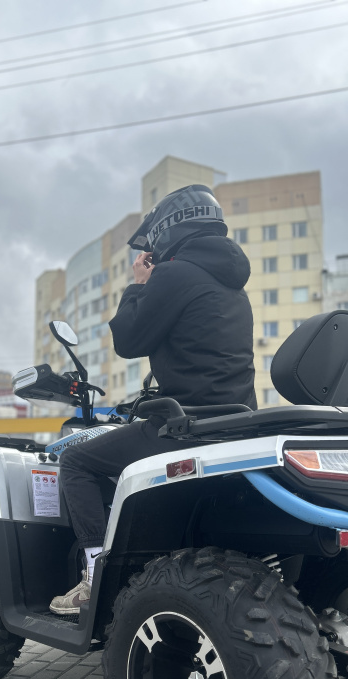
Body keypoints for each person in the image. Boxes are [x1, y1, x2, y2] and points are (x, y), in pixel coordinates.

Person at [49, 184, 257, 615]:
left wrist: (138, 284)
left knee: (77, 462)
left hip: (183, 425)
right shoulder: (234, 286)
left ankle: (94, 575)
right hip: (232, 423)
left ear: (168, 230)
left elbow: (128, 340)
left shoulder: (174, 274)